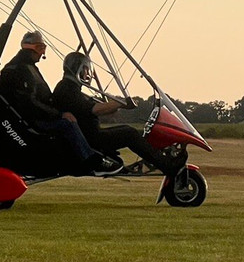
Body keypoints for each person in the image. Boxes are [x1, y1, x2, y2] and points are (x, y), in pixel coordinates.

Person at [0, 31, 122, 176]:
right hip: (30, 120)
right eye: (39, 48)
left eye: (43, 48)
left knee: (69, 118)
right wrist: (58, 114)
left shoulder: (27, 66)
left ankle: (96, 154)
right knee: (67, 123)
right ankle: (92, 162)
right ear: (30, 48)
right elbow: (29, 102)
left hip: (33, 116)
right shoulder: (20, 69)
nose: (42, 53)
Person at [52, 52, 181, 176]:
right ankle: (167, 166)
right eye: (86, 69)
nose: (88, 74)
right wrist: (120, 103)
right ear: (78, 69)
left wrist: (116, 107)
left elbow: (91, 110)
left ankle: (161, 159)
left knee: (127, 130)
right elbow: (93, 109)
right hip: (89, 139)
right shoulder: (67, 89)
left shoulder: (70, 87)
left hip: (90, 135)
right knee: (129, 134)